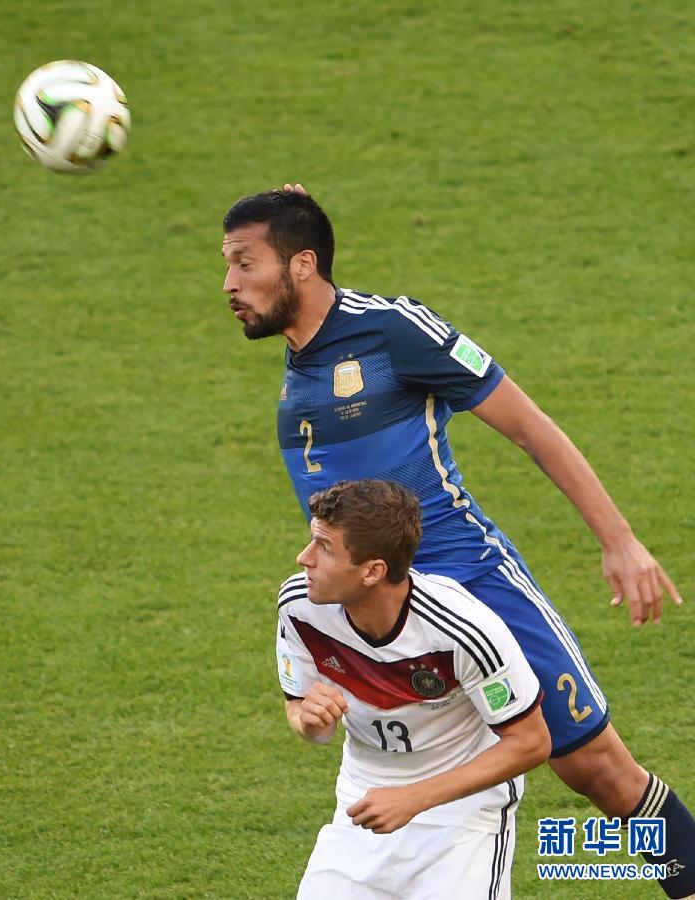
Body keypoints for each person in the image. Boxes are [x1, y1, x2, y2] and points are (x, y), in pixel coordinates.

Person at [222, 187, 695, 898]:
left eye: (244, 264)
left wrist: (619, 541)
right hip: (381, 606)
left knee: (598, 772)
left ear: (302, 266)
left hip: (474, 582)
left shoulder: (394, 332)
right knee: (419, 779)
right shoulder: (302, 359)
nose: (229, 285)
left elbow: (530, 426)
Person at [277, 478, 551, 899]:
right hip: (361, 802)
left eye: (324, 548)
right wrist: (308, 719)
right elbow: (299, 707)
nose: (304, 558)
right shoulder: (300, 607)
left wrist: (413, 798)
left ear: (373, 571)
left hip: (461, 816)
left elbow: (531, 742)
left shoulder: (463, 630)